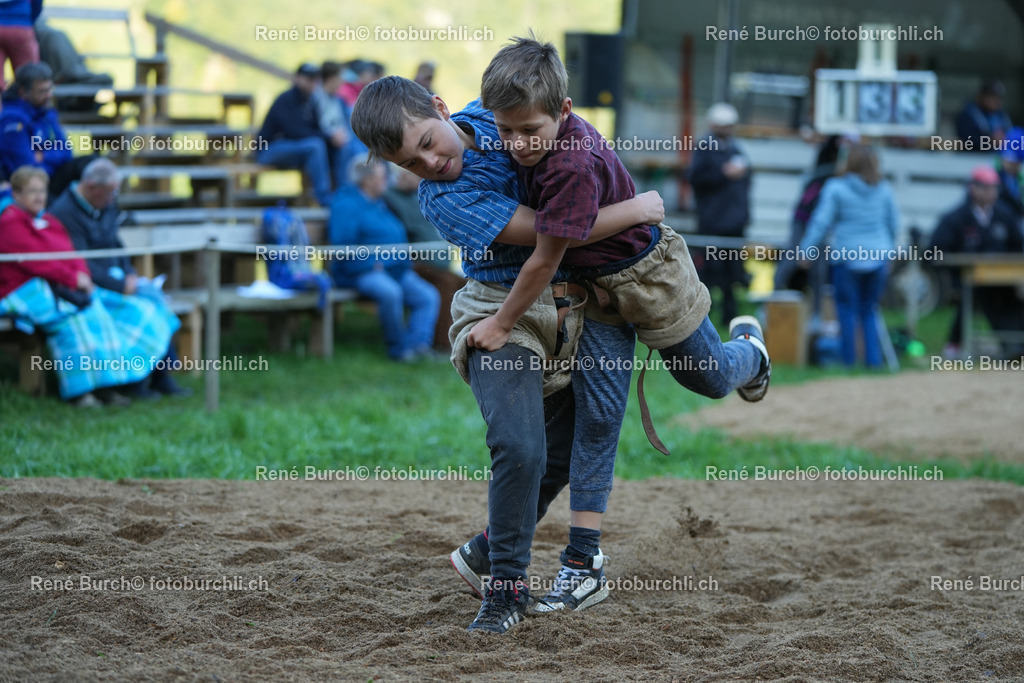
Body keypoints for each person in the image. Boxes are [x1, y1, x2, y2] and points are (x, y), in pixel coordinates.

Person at [351, 75, 666, 633]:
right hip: (497, 312)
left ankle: (484, 549)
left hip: (574, 308)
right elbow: (554, 233)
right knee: (520, 445)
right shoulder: (444, 198)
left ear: (443, 108)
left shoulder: (501, 119)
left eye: (428, 141)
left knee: (567, 450)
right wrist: (639, 208)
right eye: (412, 163)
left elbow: (540, 87)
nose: (430, 163)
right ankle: (504, 590)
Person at [473, 35, 770, 615]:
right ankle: (583, 563)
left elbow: (545, 257)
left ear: (563, 111)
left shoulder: (572, 165)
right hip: (595, 296)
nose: (516, 143)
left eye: (529, 129)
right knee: (601, 415)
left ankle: (752, 352)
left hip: (647, 274)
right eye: (504, 131)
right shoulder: (518, 131)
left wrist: (501, 323)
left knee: (706, 377)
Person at [0, 166, 178, 406]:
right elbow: (36, 262)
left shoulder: (49, 221)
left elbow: (73, 255)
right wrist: (74, 280)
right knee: (75, 323)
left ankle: (108, 386)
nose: (39, 197)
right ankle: (79, 392)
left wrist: (81, 275)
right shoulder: (10, 222)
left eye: (42, 191)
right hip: (23, 290)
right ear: (17, 194)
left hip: (58, 287)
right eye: (32, 191)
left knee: (99, 316)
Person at [48, 157, 189, 397]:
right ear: (91, 188)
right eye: (110, 193)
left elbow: (115, 243)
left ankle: (160, 377)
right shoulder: (64, 212)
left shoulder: (106, 204)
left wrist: (130, 274)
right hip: (89, 285)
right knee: (140, 312)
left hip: (116, 279)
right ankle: (133, 382)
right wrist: (120, 285)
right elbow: (80, 261)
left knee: (157, 303)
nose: (113, 198)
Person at [328, 155, 441, 362]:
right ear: (366, 180)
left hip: (394, 269)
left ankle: (418, 347)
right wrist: (371, 263)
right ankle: (399, 350)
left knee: (427, 296)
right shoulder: (346, 205)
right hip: (361, 272)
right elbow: (342, 247)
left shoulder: (378, 202)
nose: (386, 181)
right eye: (382, 177)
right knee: (391, 293)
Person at [799, 145, 899, 368]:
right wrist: (889, 253)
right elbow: (894, 224)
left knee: (846, 310)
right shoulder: (883, 189)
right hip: (878, 257)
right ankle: (873, 361)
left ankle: (848, 361)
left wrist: (806, 251)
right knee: (869, 310)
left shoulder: (836, 188)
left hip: (847, 257)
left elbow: (820, 223)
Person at [929, 165, 1024, 358]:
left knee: (1014, 300)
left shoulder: (1004, 215)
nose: (991, 193)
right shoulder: (956, 218)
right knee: (974, 295)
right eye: (986, 188)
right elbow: (936, 249)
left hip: (1002, 278)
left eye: (994, 188)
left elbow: (1018, 245)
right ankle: (955, 344)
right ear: (973, 189)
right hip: (967, 278)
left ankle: (1014, 344)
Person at [384, 165, 464, 350]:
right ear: (403, 176)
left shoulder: (419, 195)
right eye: (414, 176)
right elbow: (397, 233)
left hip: (436, 261)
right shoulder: (389, 198)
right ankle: (443, 343)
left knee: (464, 283)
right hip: (415, 261)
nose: (419, 179)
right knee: (447, 282)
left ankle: (464, 336)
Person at [688, 102, 752, 325]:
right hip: (713, 223)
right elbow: (695, 179)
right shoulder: (704, 147)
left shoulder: (736, 148)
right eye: (723, 125)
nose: (727, 129)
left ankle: (729, 316)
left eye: (730, 125)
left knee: (732, 272)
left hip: (735, 223)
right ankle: (702, 316)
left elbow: (746, 184)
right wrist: (723, 174)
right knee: (709, 271)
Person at [0, 61, 85, 199]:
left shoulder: (46, 112)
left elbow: (67, 151)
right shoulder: (12, 120)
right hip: (28, 187)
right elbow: (26, 168)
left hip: (50, 175)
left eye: (49, 89)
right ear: (23, 92)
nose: (48, 95)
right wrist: (53, 157)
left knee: (90, 165)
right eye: (42, 91)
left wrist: (44, 155)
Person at [256, 63, 334, 206]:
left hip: (295, 149)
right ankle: (324, 199)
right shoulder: (285, 99)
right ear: (298, 78)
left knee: (333, 146)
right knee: (316, 145)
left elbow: (315, 128)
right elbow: (295, 132)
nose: (312, 83)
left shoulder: (310, 101)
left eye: (315, 79)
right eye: (309, 79)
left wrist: (332, 138)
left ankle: (340, 195)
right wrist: (329, 137)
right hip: (269, 149)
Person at [34, 18, 114, 113]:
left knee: (104, 79)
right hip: (68, 76)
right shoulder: (54, 34)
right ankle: (83, 107)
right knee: (105, 78)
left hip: (73, 73)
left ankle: (83, 106)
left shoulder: (55, 34)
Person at [956, 80, 1012, 149]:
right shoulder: (968, 114)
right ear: (981, 96)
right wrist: (990, 140)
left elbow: (1010, 134)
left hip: (999, 156)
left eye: (998, 97)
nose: (996, 100)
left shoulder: (1001, 115)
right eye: (991, 96)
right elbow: (968, 140)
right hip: (973, 157)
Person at [0, 0, 42, 91]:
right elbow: (37, 3)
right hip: (20, 24)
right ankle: (27, 103)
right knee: (30, 78)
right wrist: (29, 21)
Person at [996, 127, 1024, 219]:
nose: (1007, 164)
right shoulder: (994, 175)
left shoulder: (1020, 178)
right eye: (1005, 158)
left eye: (1013, 161)